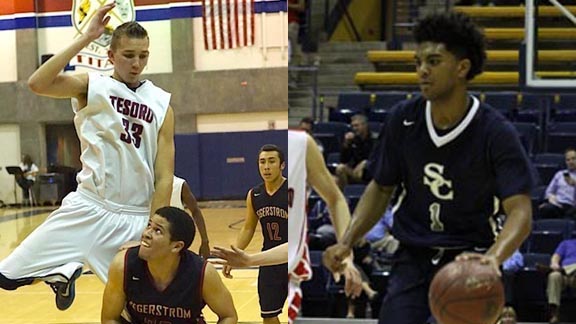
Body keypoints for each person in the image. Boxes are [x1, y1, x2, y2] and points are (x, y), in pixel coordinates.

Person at [322, 12, 534, 324]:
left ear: (462, 68)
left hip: (470, 256)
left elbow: (521, 211)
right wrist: (347, 240)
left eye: (433, 62)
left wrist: (492, 259)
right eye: (418, 62)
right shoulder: (402, 119)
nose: (422, 70)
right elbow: (381, 187)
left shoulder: (495, 131)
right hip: (413, 256)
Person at [0, 3, 174, 311]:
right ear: (110, 56)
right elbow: (37, 83)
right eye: (128, 55)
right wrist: (85, 37)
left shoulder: (162, 104)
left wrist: (155, 227)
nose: (137, 63)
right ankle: (64, 271)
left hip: (133, 218)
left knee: (139, 310)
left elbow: (164, 175)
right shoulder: (92, 85)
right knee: (7, 276)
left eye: (143, 55)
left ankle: (65, 271)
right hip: (89, 206)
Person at [101, 207, 237, 324]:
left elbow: (228, 316)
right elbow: (109, 319)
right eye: (149, 225)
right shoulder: (123, 264)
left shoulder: (202, 272)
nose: (146, 234)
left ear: (176, 246)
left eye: (158, 231)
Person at [223, 144, 287, 324]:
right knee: (268, 313)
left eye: (271, 161)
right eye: (262, 162)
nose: (266, 167)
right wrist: (235, 252)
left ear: (282, 165)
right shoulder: (254, 194)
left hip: (292, 259)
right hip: (268, 260)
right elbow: (248, 228)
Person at [172, 176, 210, 259]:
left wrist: (205, 241)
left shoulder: (179, 184)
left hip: (176, 235)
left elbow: (195, 211)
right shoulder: (146, 184)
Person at [335, 114, 374, 189]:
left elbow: (376, 159)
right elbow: (343, 160)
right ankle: (346, 195)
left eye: (356, 126)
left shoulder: (374, 140)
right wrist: (346, 144)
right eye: (352, 126)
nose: (354, 128)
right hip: (354, 172)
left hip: (370, 173)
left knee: (365, 163)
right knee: (340, 168)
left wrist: (364, 164)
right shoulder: (353, 140)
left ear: (364, 125)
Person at [539, 148, 576, 219]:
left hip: (572, 206)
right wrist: (551, 198)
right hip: (558, 205)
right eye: (568, 160)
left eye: (573, 158)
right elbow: (549, 192)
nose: (571, 162)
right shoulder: (560, 174)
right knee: (546, 209)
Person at [546, 238, 576, 323]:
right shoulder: (566, 243)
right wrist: (554, 264)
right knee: (554, 276)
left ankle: (568, 270)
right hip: (564, 276)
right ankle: (554, 314)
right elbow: (556, 257)